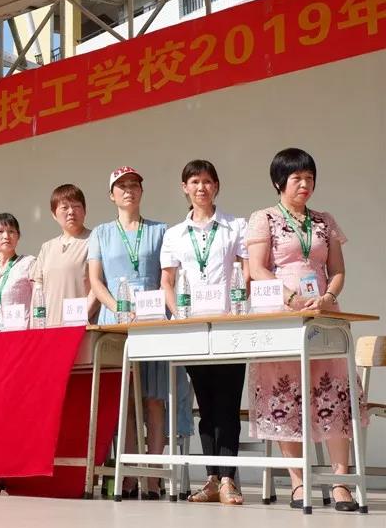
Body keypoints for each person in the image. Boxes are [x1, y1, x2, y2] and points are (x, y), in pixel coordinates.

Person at [246, 148, 366, 512]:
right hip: (283, 314)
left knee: (334, 391)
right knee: (284, 393)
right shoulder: (264, 218)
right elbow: (257, 269)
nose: (304, 184)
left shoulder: (325, 221)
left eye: (309, 178)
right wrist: (290, 297)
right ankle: (298, 482)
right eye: (297, 178)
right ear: (278, 182)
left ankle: (341, 483)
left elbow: (337, 270)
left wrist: (328, 296)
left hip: (324, 315)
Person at [88, 166, 188, 498]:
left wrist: (156, 308)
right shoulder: (101, 233)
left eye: (134, 185)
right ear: (111, 195)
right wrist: (118, 307)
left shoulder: (160, 231)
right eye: (121, 186)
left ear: (142, 191)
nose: (128, 190)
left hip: (152, 318)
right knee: (126, 400)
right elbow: (96, 280)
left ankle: (153, 475)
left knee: (154, 399)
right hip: (116, 320)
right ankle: (129, 475)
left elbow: (167, 277)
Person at [160, 160, 249, 505]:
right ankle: (212, 478)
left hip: (229, 325)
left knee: (228, 402)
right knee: (206, 404)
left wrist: (238, 306)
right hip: (193, 328)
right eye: (195, 181)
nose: (202, 187)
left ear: (217, 186)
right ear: (184, 187)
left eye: (208, 181)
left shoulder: (235, 226)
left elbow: (245, 272)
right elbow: (167, 281)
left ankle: (228, 479)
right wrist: (179, 316)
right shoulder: (174, 234)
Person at [31, 184, 98, 325]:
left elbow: (98, 286)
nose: (71, 212)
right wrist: (35, 326)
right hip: (49, 327)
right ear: (54, 214)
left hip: (81, 327)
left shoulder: (94, 240)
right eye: (64, 207)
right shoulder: (47, 247)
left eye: (76, 206)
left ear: (85, 211)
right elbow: (37, 291)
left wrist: (82, 317)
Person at [0, 213, 36, 329]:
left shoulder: (29, 263)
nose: (6, 236)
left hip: (20, 333)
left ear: (18, 236)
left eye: (11, 231)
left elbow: (37, 300)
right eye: (0, 231)